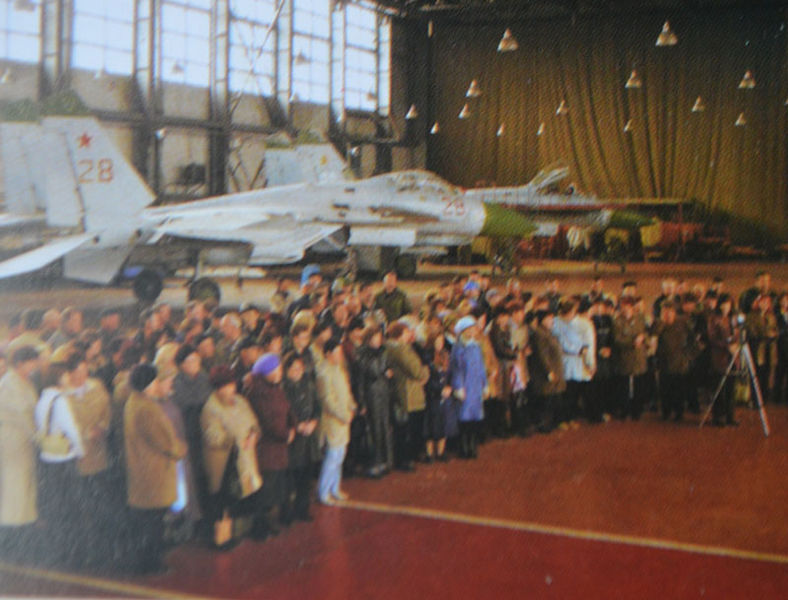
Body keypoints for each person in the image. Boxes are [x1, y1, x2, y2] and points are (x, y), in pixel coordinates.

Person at [124, 363, 186, 574]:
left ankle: (146, 561)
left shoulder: (133, 402)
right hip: (154, 472)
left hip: (141, 470)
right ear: (149, 383)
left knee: (146, 521)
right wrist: (180, 449)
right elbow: (164, 441)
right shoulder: (147, 408)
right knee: (154, 523)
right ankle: (151, 564)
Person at [200, 366, 262, 549]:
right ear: (217, 388)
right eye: (226, 386)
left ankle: (234, 533)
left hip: (245, 458)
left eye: (232, 384)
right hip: (223, 461)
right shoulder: (210, 408)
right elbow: (212, 436)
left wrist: (254, 434)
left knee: (240, 495)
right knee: (222, 500)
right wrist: (234, 440)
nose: (231, 389)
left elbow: (254, 422)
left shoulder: (241, 401)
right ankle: (221, 539)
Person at [34, 363, 85, 567]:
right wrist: (80, 450)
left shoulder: (42, 399)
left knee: (56, 506)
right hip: (64, 457)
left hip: (48, 456)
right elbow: (71, 429)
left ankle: (58, 549)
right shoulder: (60, 400)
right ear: (58, 378)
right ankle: (72, 551)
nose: (68, 378)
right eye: (65, 375)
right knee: (71, 507)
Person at [245, 354, 294, 536]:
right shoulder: (258, 393)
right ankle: (261, 526)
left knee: (277, 486)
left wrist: (292, 426)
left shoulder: (275, 388)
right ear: (267, 372)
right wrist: (286, 434)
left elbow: (287, 409)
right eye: (277, 369)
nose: (281, 372)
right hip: (268, 448)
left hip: (279, 447)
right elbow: (267, 421)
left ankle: (272, 521)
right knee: (266, 489)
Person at [0, 346, 40, 558]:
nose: (35, 366)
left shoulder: (26, 382)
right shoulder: (9, 384)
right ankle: (11, 543)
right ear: (21, 363)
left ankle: (21, 538)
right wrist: (40, 436)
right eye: (32, 362)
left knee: (23, 491)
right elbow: (23, 415)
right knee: (13, 493)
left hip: (24, 443)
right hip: (12, 443)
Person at [315, 339, 356, 505]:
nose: (340, 356)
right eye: (336, 353)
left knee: (340, 456)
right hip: (332, 421)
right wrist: (343, 415)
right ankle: (324, 491)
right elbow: (327, 401)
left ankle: (335, 488)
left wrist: (352, 407)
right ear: (327, 354)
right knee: (332, 456)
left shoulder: (339, 369)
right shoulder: (323, 373)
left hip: (344, 419)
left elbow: (347, 392)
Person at [385, 322, 429, 471]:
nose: (410, 334)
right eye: (406, 332)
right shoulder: (402, 349)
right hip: (409, 393)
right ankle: (406, 459)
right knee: (409, 429)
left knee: (403, 429)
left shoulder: (389, 348)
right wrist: (425, 371)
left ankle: (404, 458)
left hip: (401, 392)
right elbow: (416, 371)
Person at [281, 353, 320, 521]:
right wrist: (297, 426)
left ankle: (302, 509)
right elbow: (283, 414)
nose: (297, 372)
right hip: (293, 439)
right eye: (294, 369)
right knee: (290, 478)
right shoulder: (283, 388)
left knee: (306, 475)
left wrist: (313, 422)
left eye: (300, 368)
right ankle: (287, 512)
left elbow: (317, 407)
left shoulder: (309, 385)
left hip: (309, 437)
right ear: (287, 370)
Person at [450, 316, 487, 458]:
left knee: (474, 418)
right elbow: (456, 368)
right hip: (465, 386)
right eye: (470, 329)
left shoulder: (476, 346)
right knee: (464, 417)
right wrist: (459, 387)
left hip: (476, 386)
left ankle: (472, 445)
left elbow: (481, 367)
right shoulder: (458, 347)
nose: (473, 331)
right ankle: (464, 447)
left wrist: (485, 385)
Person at [653, 301, 696, 421]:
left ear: (674, 312)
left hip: (680, 361)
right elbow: (653, 337)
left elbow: (692, 340)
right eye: (664, 312)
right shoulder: (658, 324)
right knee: (664, 389)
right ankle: (666, 412)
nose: (667, 315)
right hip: (664, 362)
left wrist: (689, 355)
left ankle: (679, 412)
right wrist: (661, 324)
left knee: (679, 389)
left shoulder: (683, 322)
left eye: (669, 312)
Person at [528, 310, 566, 434]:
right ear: (543, 320)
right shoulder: (540, 334)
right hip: (544, 373)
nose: (552, 321)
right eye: (549, 319)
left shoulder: (548, 332)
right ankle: (543, 424)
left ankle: (549, 423)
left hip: (554, 369)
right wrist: (549, 371)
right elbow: (542, 355)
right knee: (545, 400)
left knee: (551, 399)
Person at [708, 294, 738, 427]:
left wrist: (735, 344)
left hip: (733, 356)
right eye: (724, 304)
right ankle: (718, 416)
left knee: (731, 387)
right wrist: (727, 346)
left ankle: (730, 416)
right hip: (720, 356)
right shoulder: (714, 319)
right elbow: (712, 338)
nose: (726, 307)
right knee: (719, 387)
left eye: (728, 304)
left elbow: (737, 334)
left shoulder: (733, 318)